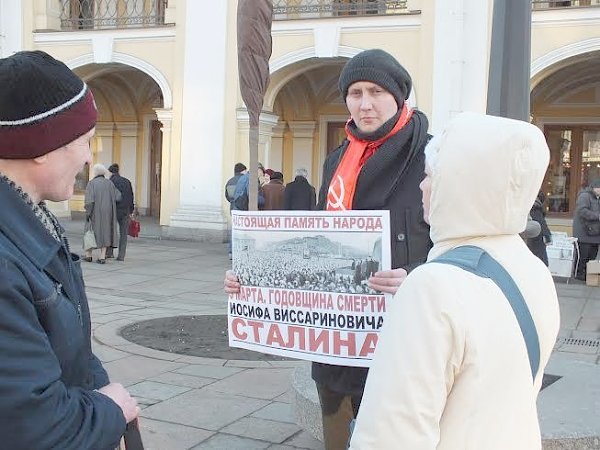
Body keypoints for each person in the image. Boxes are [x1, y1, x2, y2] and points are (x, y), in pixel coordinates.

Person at [226, 48, 432, 449]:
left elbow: (460, 245)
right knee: (338, 439)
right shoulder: (337, 160)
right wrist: (248, 278)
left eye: (376, 91)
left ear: (399, 96)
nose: (365, 103)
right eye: (355, 93)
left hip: (405, 342)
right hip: (338, 346)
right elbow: (315, 233)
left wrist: (418, 274)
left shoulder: (431, 155)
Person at [349, 113, 560, 449]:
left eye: (432, 175)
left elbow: (391, 435)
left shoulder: (432, 288)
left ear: (460, 184)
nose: (422, 185)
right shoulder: (532, 268)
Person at [0, 50, 138, 449]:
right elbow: (34, 425)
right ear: (43, 144)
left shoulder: (34, 217)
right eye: (85, 141)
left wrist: (102, 389)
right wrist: (109, 410)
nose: (88, 157)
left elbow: (71, 347)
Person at [84, 163, 121, 264]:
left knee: (89, 232)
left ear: (95, 172)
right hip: (108, 213)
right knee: (105, 232)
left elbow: (89, 201)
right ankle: (102, 256)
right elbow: (118, 196)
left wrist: (88, 212)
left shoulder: (91, 184)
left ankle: (88, 255)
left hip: (94, 212)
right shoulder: (110, 183)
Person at [572, 178, 600, 280]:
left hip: (595, 233)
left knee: (592, 256)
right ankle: (579, 274)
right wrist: (597, 216)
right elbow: (582, 211)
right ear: (595, 188)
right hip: (584, 232)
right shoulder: (584, 196)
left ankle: (588, 275)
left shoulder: (597, 198)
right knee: (583, 256)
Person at [106, 163, 134, 261]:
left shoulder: (110, 182)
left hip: (113, 210)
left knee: (111, 232)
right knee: (123, 234)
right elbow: (131, 197)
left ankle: (109, 252)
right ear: (118, 171)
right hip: (125, 210)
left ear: (110, 172)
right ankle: (121, 255)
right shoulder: (127, 181)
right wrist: (131, 210)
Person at [527, 191, 552, 265]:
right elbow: (542, 223)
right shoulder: (536, 208)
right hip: (535, 238)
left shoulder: (532, 207)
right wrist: (548, 236)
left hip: (533, 237)